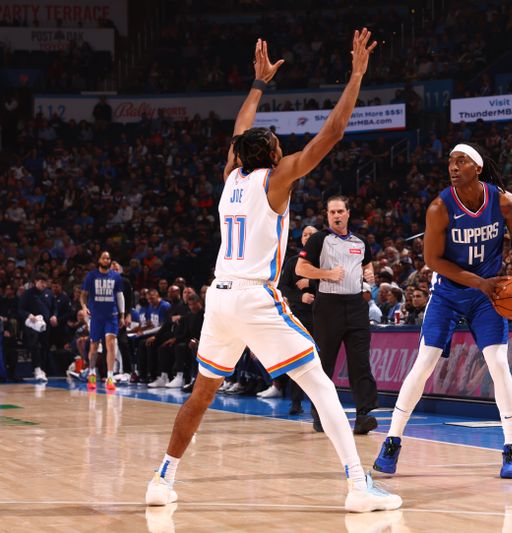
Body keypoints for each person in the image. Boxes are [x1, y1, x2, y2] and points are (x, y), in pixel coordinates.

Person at [146, 34, 401, 513]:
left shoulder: (231, 178)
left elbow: (241, 128)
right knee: (321, 384)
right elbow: (333, 134)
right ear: (274, 155)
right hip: (254, 299)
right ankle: (356, 486)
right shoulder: (277, 179)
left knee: (202, 393)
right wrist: (358, 75)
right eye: (280, 146)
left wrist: (259, 85)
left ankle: (162, 478)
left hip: (218, 299)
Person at [373, 142, 512, 479]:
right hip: (448, 293)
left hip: (487, 295)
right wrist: (479, 282)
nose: (453, 168)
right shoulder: (439, 207)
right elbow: (433, 261)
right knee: (424, 363)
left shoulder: (504, 201)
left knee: (499, 363)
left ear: (477, 167)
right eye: (450, 162)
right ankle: (392, 439)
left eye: (461, 162)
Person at [296, 195, 379, 434]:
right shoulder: (319, 239)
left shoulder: (361, 241)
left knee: (360, 362)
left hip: (356, 306)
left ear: (348, 213)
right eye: (332, 212)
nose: (336, 216)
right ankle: (320, 412)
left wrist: (369, 275)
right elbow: (301, 268)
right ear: (327, 215)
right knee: (324, 363)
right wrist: (326, 274)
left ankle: (364, 414)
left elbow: (366, 265)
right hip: (328, 307)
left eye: (340, 211)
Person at [273, 224, 318, 413]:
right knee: (298, 360)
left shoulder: (325, 260)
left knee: (320, 362)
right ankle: (296, 402)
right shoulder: (292, 262)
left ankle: (318, 406)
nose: (307, 237)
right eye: (305, 234)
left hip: (321, 316)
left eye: (311, 234)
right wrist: (300, 297)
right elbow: (282, 287)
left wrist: (311, 283)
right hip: (299, 316)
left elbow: (335, 281)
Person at [80, 251, 125, 390]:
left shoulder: (116, 276)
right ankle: (92, 373)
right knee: (94, 346)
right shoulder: (91, 276)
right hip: (96, 316)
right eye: (104, 258)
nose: (106, 260)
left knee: (111, 345)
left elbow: (119, 296)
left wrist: (122, 315)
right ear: (99, 260)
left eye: (108, 258)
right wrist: (84, 307)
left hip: (111, 316)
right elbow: (83, 295)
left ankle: (110, 377)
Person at [19, 272, 56, 382]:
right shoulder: (28, 294)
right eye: (41, 282)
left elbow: (54, 308)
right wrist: (29, 315)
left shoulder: (49, 293)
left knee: (45, 346)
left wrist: (54, 316)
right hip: (32, 324)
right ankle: (37, 368)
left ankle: (43, 369)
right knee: (35, 345)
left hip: (45, 324)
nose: (43, 285)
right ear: (36, 282)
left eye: (45, 283)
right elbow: (20, 309)